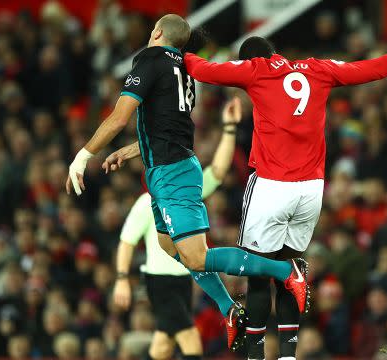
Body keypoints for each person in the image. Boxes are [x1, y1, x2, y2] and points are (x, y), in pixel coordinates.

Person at [181, 31, 387, 360]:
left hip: (272, 185)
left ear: (251, 58)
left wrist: (177, 49)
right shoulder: (318, 70)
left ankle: (254, 356)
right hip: (311, 190)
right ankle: (286, 355)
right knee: (290, 269)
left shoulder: (256, 70)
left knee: (257, 273)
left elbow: (201, 70)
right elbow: (375, 67)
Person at [64, 14, 309, 351]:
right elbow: (167, 125)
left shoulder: (149, 58)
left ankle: (285, 271)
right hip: (170, 166)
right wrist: (133, 150)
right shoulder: (186, 68)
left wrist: (83, 155)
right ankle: (229, 310)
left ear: (157, 33)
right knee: (169, 247)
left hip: (172, 172)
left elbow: (120, 116)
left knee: (195, 257)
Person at [109, 98, 242, 360]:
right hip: (161, 279)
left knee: (163, 346)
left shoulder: (187, 191)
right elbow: (127, 241)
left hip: (185, 278)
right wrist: (122, 279)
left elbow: (218, 170)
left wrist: (229, 129)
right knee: (190, 339)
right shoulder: (147, 202)